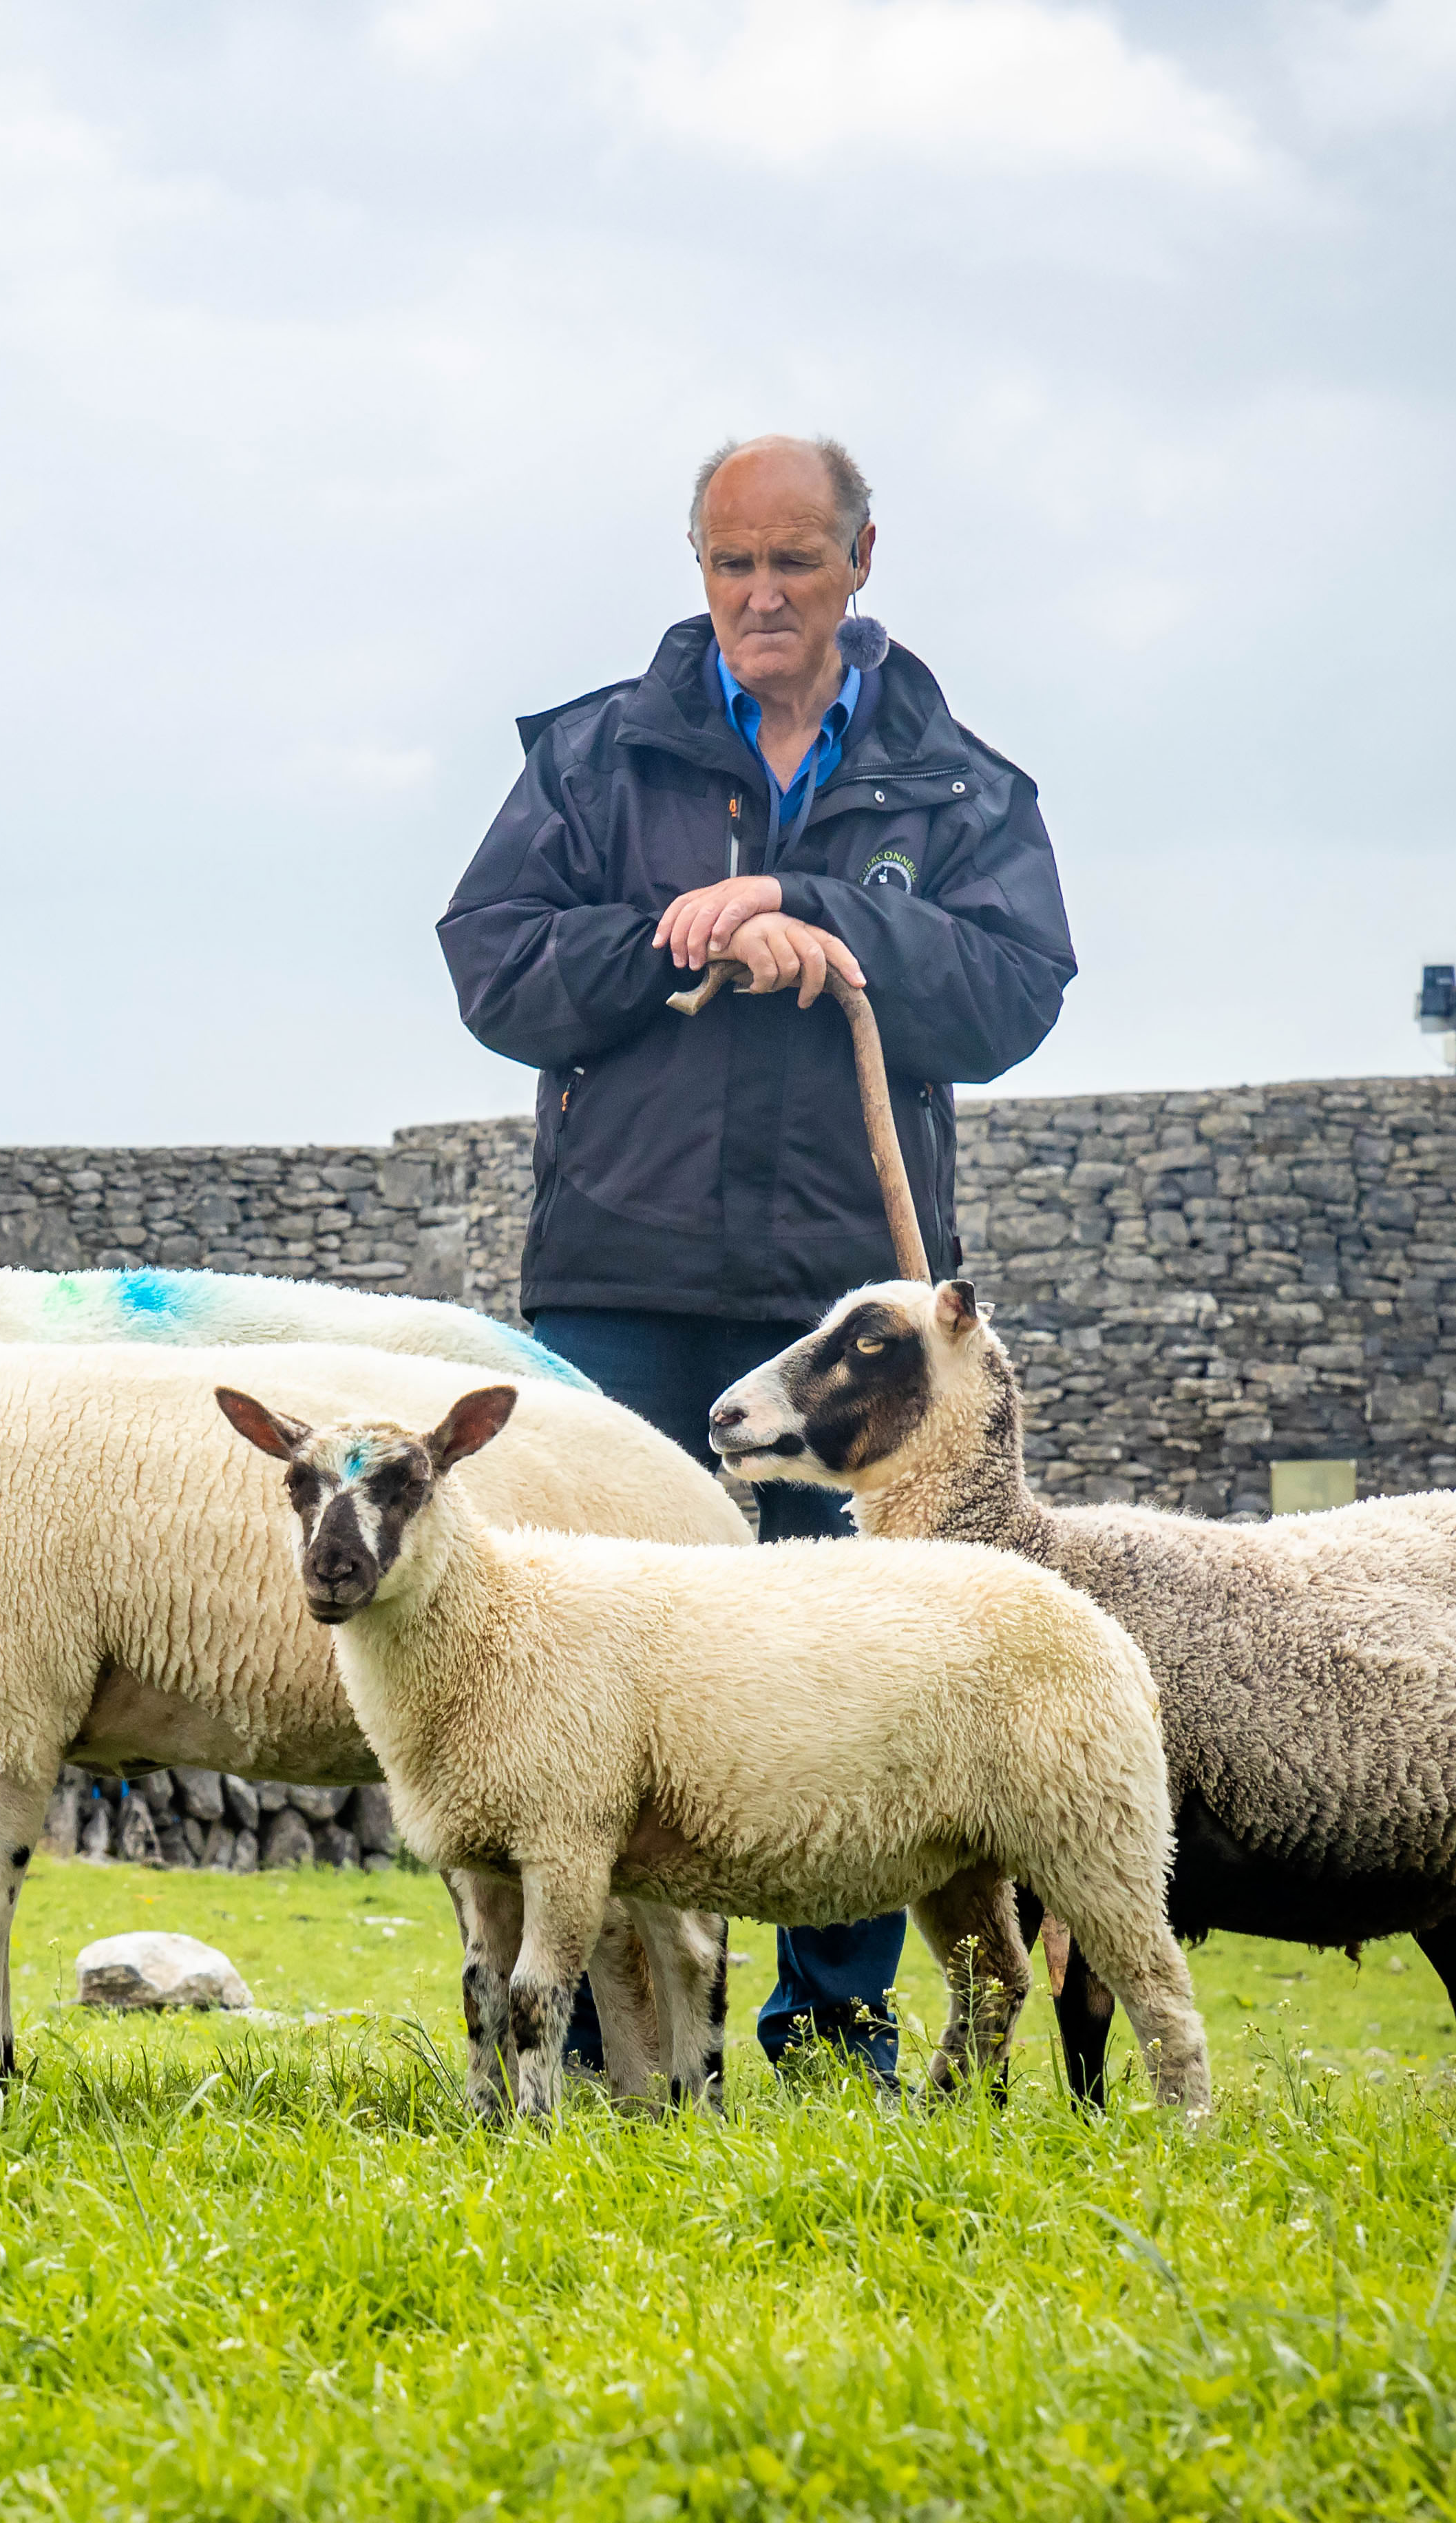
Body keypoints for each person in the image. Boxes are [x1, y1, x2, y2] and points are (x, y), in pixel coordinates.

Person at [433, 434, 1076, 2082]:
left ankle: (835, 2018)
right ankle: (588, 2017)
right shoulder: (594, 757)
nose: (762, 595)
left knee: (853, 1655)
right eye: (733, 564)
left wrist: (820, 907)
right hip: (623, 1276)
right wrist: (685, 934)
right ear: (698, 568)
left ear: (864, 559)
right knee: (585, 1649)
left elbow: (1014, 995)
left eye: (795, 562)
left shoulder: (961, 784)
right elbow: (494, 965)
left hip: (844, 1307)